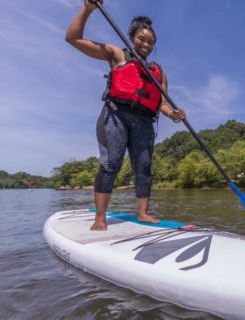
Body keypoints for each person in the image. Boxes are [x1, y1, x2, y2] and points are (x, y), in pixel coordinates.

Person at [65, 0, 186, 231]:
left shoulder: (158, 73)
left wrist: (174, 114)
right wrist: (88, 9)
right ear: (132, 37)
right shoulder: (117, 54)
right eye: (142, 39)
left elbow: (161, 103)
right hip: (116, 115)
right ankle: (100, 218)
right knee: (111, 164)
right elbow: (73, 39)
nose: (146, 44)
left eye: (150, 42)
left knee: (143, 167)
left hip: (144, 122)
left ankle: (143, 213)